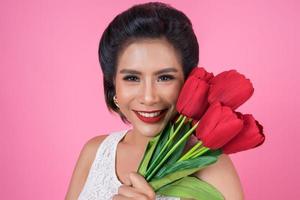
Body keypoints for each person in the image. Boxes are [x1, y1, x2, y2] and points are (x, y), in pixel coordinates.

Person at [65, 2, 244, 200]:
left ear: (188, 81)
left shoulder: (211, 167)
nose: (149, 97)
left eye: (165, 78)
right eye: (132, 78)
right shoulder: (95, 152)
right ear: (113, 85)